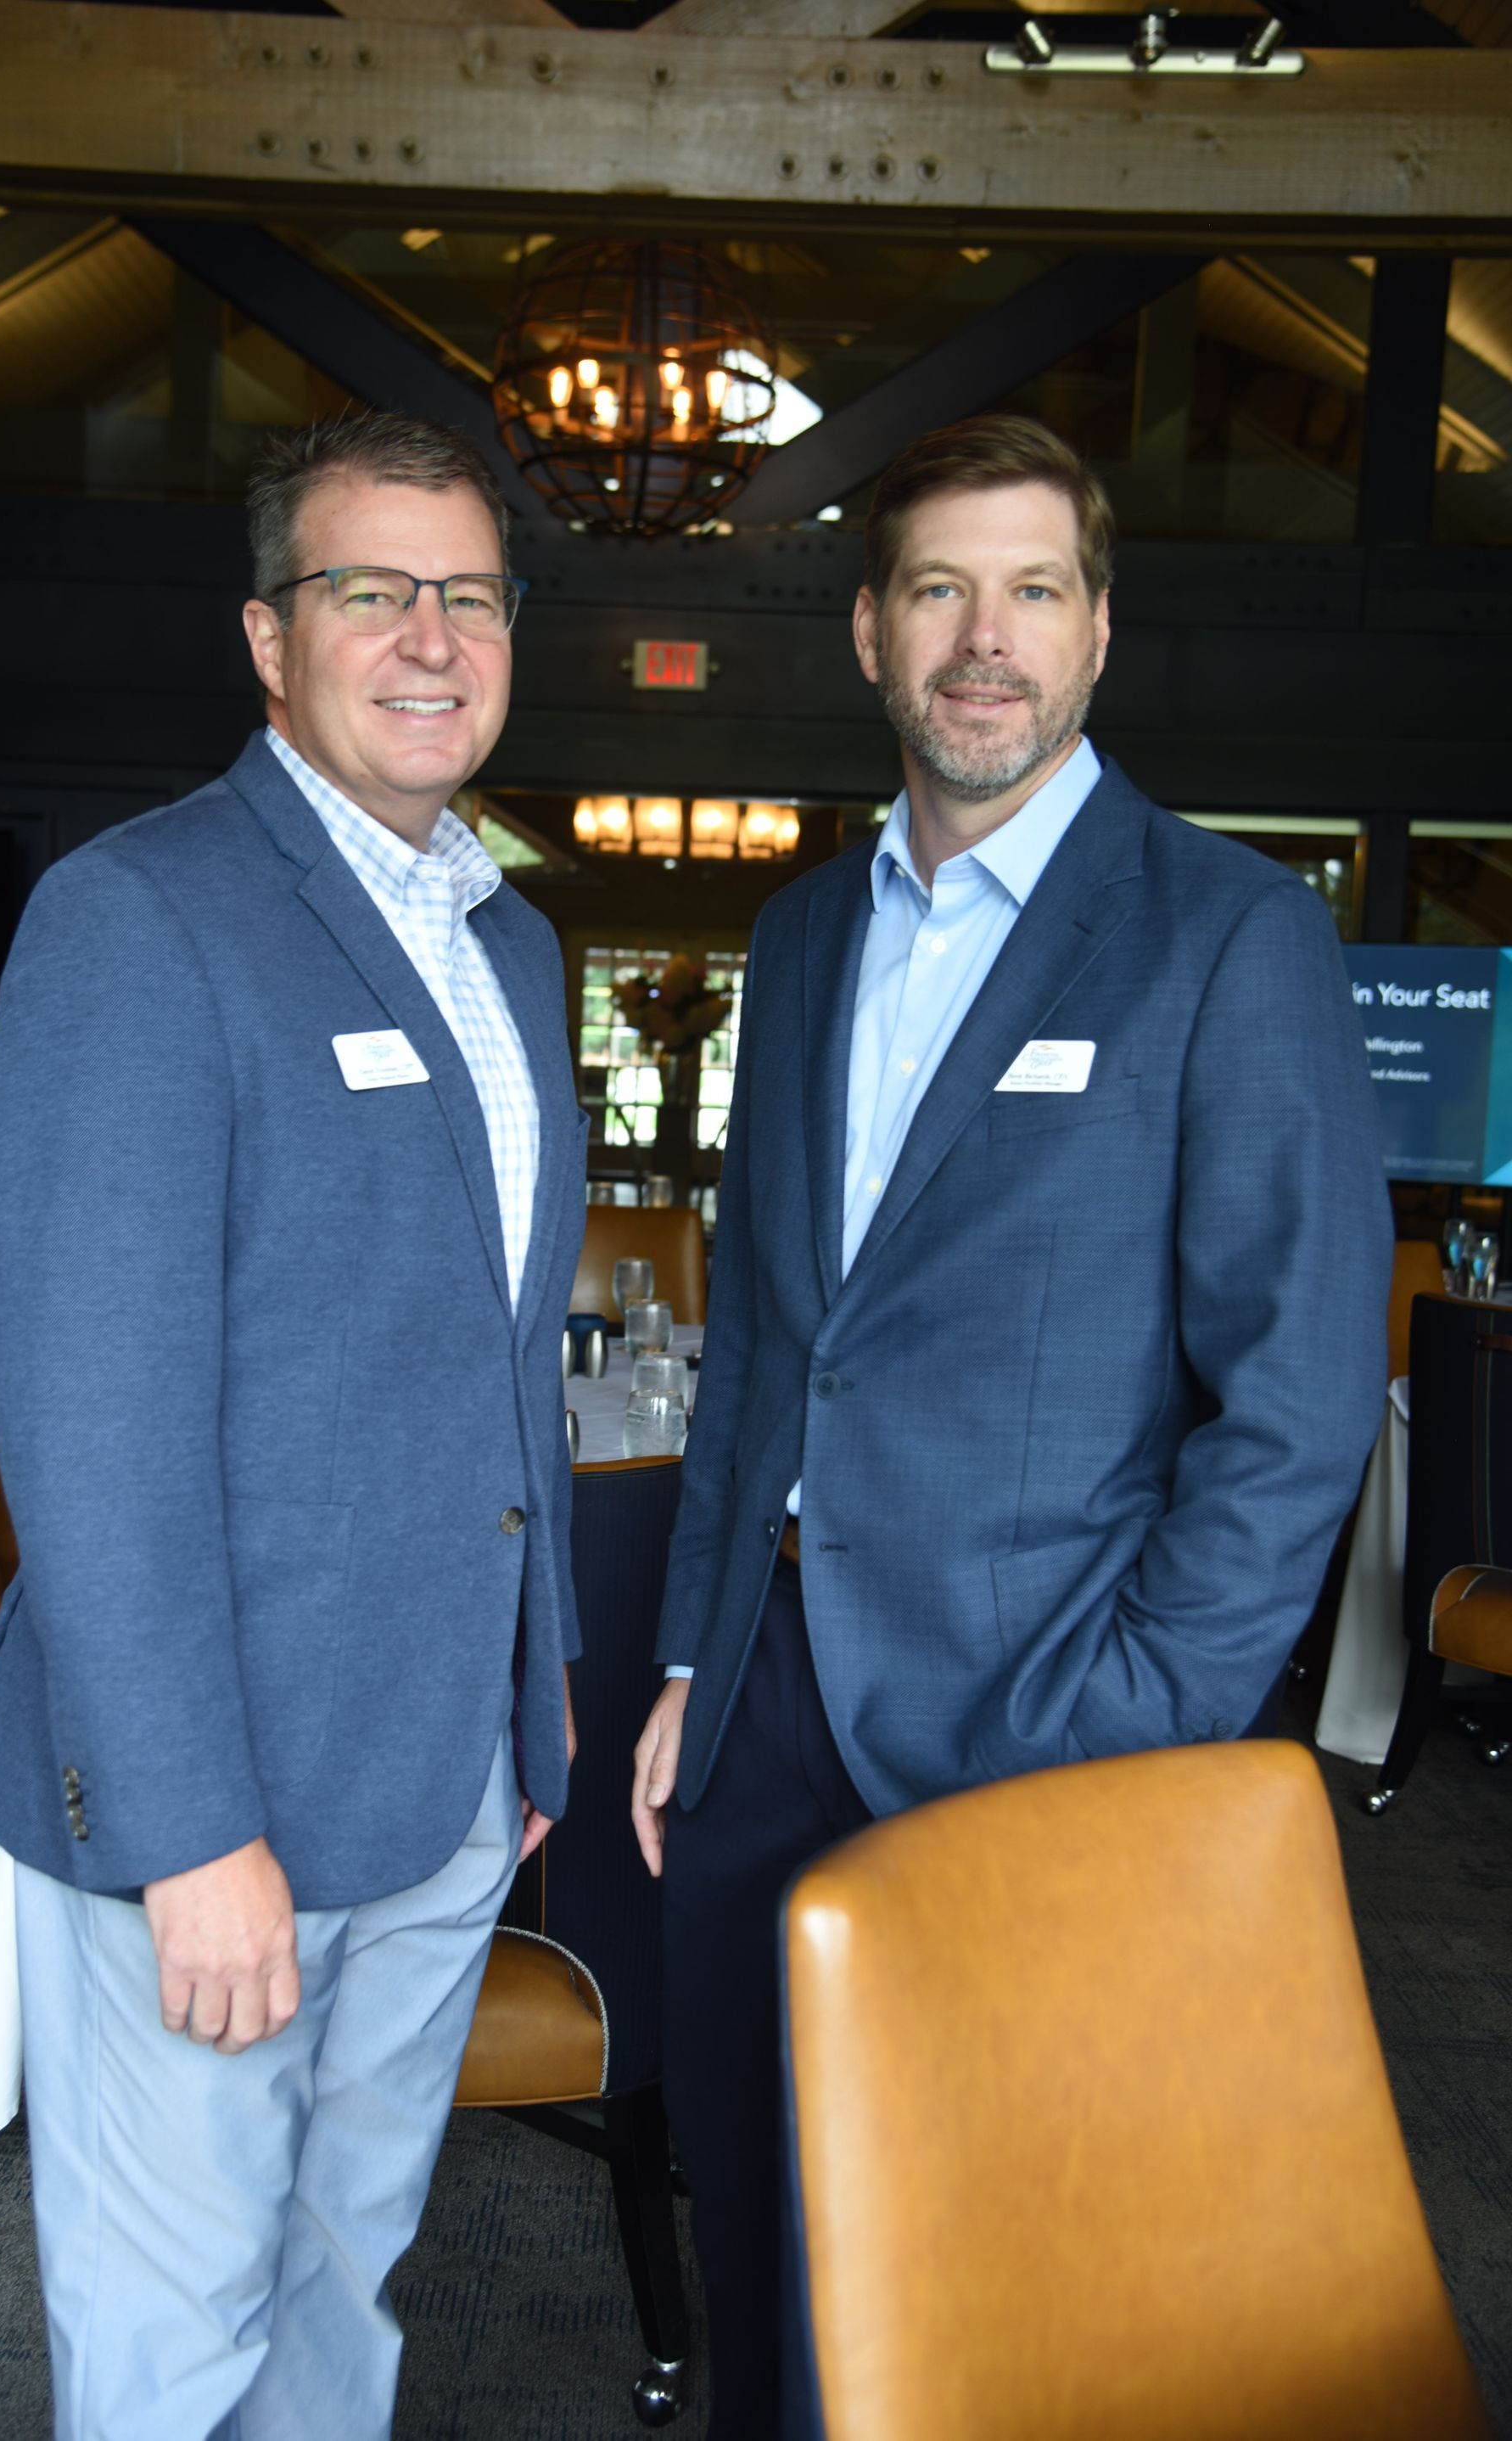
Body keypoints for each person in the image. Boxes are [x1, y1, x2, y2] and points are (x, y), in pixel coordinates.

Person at [630, 412, 1392, 2437]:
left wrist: (1144, 1710)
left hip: (1046, 1700)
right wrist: (696, 1655)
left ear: (1098, 631)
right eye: (941, 590)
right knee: (761, 2211)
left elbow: (1300, 1395)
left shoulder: (1228, 934)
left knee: (993, 2248)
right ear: (873, 633)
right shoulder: (801, 935)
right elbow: (767, 1339)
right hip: (764, 1699)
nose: (987, 638)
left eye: (1033, 589)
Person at [0, 412, 589, 2439]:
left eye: (472, 595)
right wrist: (191, 1828)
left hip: (447, 1775)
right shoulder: (142, 916)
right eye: (371, 590)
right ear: (271, 640)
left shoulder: (513, 944)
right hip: (221, 1805)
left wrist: (534, 1697)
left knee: (341, 2290)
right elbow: (91, 1422)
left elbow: (497, 1367)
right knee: (174, 2334)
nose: (431, 637)